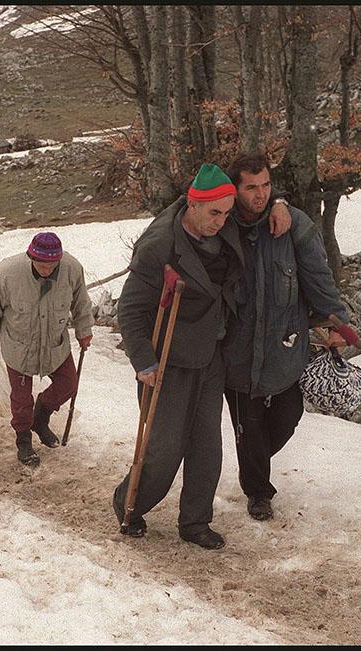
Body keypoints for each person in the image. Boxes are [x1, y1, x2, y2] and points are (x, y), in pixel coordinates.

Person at [111, 163, 246, 550]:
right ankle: (130, 504)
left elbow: (260, 206)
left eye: (226, 213)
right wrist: (143, 362)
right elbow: (131, 310)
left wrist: (282, 202)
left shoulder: (225, 228)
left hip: (210, 353)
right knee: (165, 447)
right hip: (168, 359)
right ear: (192, 205)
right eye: (213, 213)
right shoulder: (159, 247)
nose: (221, 221)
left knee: (207, 445)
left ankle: (195, 521)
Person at [222, 152, 358, 521]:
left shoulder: (293, 224)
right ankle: (258, 492)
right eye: (251, 188)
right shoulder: (221, 224)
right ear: (234, 189)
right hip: (236, 354)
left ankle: (254, 463)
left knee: (287, 418)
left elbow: (319, 279)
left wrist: (337, 325)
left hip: (285, 348)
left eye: (266, 186)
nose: (260, 195)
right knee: (248, 429)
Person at [0, 232, 94, 467]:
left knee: (68, 384)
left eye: (51, 265)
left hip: (55, 344)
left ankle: (40, 417)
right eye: (41, 265)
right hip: (19, 345)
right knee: (21, 400)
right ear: (30, 257)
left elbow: (81, 302)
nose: (46, 269)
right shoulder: (7, 273)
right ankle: (23, 440)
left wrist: (84, 330)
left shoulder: (72, 269)